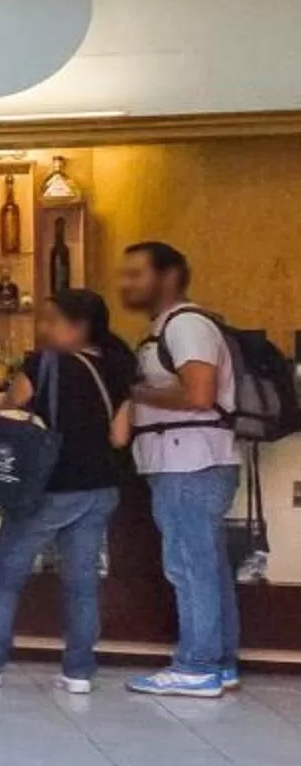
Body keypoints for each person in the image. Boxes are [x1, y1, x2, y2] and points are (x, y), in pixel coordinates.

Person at [0, 289, 132, 694]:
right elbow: (119, 437)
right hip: (99, 486)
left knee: (8, 575)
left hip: (47, 486)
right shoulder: (119, 368)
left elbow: (9, 413)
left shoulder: (44, 364)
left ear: (79, 326)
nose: (43, 328)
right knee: (82, 582)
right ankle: (79, 672)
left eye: (52, 320)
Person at [118, 241, 241, 698]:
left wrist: (138, 393)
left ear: (168, 277)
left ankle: (197, 665)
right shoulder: (170, 327)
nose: (126, 283)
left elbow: (199, 394)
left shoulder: (186, 326)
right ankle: (220, 661)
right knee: (205, 565)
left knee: (189, 566)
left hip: (189, 460)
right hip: (186, 460)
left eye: (136, 274)